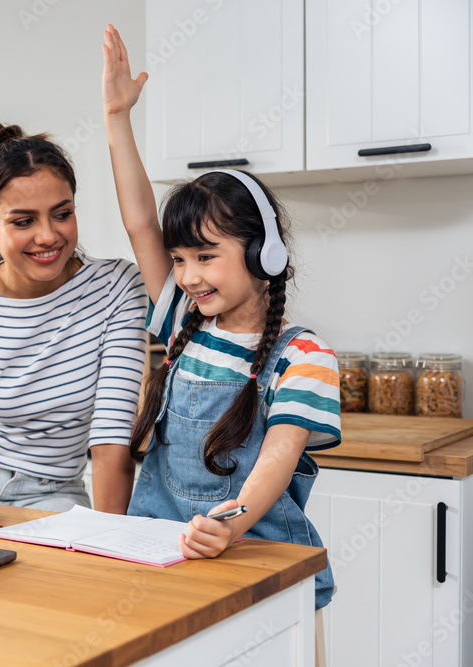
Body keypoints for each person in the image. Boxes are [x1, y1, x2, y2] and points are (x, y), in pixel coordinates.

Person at [101, 25, 339, 610]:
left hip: (257, 564)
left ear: (263, 255)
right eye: (179, 260)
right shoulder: (183, 320)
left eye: (206, 257)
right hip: (164, 557)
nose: (187, 276)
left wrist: (230, 522)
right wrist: (115, 118)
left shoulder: (305, 358)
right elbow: (139, 224)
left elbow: (278, 462)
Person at [0, 118, 148, 541]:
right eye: (23, 221)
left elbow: (111, 439)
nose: (48, 236)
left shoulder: (117, 288)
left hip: (53, 497)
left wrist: (113, 539)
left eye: (62, 214)